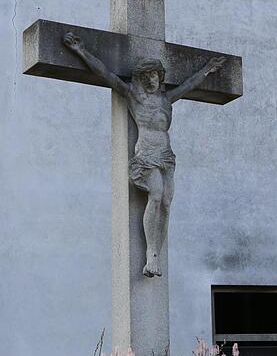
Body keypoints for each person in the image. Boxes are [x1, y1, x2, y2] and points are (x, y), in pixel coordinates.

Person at [64, 31, 225, 277]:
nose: (151, 79)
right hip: (147, 152)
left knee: (167, 202)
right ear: (140, 78)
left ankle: (156, 253)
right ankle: (150, 254)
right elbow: (105, 74)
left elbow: (189, 84)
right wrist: (80, 51)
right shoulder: (133, 96)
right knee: (156, 194)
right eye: (147, 75)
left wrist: (208, 70)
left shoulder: (167, 99)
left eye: (155, 75)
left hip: (166, 154)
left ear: (160, 77)